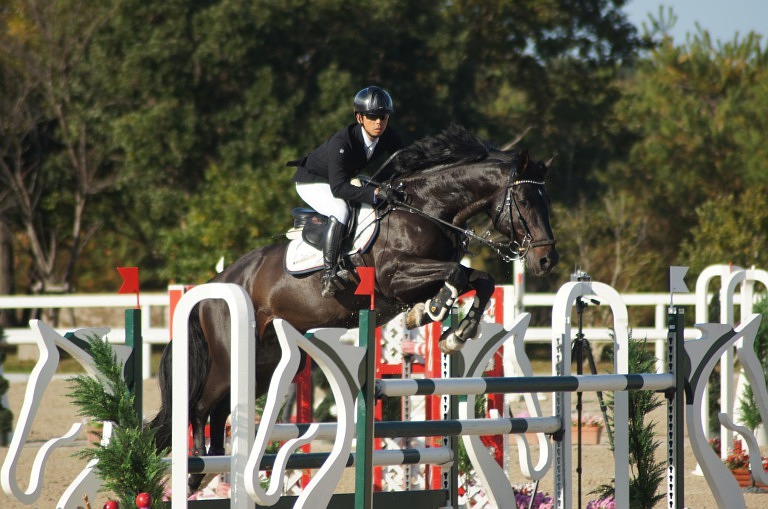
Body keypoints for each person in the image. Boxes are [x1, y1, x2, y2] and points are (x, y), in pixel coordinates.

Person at [290, 86, 404, 298]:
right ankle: (329, 273)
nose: (379, 122)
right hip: (313, 181)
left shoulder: (387, 135)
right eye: (372, 117)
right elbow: (339, 188)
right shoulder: (342, 142)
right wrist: (376, 192)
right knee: (340, 208)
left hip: (340, 179)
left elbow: (404, 159)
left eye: (383, 116)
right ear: (360, 117)